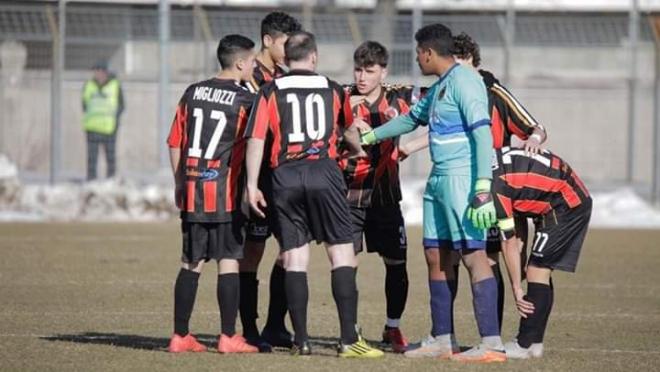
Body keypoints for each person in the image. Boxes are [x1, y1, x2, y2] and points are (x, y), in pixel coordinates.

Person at [361, 24, 506, 362]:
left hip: (462, 180)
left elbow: (483, 134)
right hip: (439, 180)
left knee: (474, 255)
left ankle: (492, 343)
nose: (416, 58)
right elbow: (411, 119)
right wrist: (370, 137)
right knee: (435, 255)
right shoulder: (441, 86)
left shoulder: (467, 81)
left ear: (428, 52)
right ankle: (443, 339)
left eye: (417, 53)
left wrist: (482, 187)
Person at [245, 30, 383, 358]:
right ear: (314, 57)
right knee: (341, 253)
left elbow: (256, 140)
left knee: (294, 257)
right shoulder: (332, 89)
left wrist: (252, 185)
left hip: (285, 175)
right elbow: (348, 129)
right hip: (324, 171)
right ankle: (349, 340)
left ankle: (301, 340)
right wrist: (356, 150)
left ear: (286, 58)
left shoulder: (269, 90)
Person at [399, 32, 549, 332]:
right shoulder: (449, 86)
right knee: (447, 257)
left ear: (473, 62)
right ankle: (444, 334)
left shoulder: (492, 91)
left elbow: (535, 126)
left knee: (491, 258)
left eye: (463, 63)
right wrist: (407, 147)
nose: (458, 69)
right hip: (457, 182)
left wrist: (533, 138)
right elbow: (443, 129)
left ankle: (502, 336)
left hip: (493, 186)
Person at [166, 34, 258, 354]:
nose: (255, 65)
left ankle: (180, 335)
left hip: (193, 190)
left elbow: (175, 141)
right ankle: (228, 336)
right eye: (253, 60)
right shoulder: (246, 100)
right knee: (229, 261)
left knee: (190, 262)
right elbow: (256, 144)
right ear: (240, 63)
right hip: (224, 193)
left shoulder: (192, 92)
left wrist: (180, 182)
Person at [339, 41, 421, 353]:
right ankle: (350, 330)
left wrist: (413, 146)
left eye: (369, 71)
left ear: (382, 72)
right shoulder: (341, 98)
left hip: (386, 197)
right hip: (349, 197)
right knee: (347, 264)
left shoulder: (400, 97)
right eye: (358, 69)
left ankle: (393, 327)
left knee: (397, 263)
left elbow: (445, 102)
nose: (361, 76)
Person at [239, 11, 302, 352]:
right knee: (253, 251)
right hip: (256, 178)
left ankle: (276, 324)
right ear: (267, 41)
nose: (289, 49)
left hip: (284, 178)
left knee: (290, 249)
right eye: (284, 43)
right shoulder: (248, 77)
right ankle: (248, 329)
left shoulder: (286, 76)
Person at [491, 146, 591, 359]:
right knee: (538, 270)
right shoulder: (494, 163)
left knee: (537, 271)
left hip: (566, 204)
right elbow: (517, 222)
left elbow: (507, 242)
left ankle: (523, 344)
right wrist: (522, 253)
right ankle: (535, 343)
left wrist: (517, 289)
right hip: (558, 200)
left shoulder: (493, 185)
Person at [82, 61, 124, 180]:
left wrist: (114, 118)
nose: (97, 74)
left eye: (100, 71)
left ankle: (111, 181)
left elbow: (121, 105)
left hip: (109, 127)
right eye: (96, 71)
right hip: (92, 127)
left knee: (110, 157)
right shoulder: (89, 85)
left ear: (105, 72)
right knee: (92, 158)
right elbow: (84, 104)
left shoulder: (115, 85)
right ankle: (91, 180)